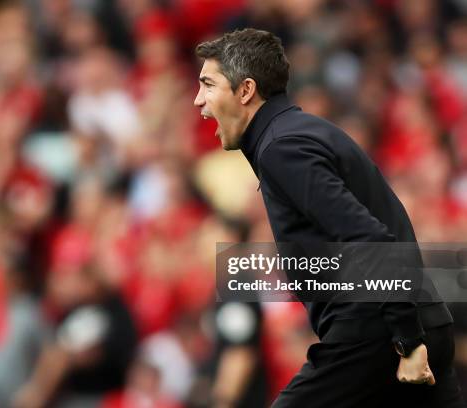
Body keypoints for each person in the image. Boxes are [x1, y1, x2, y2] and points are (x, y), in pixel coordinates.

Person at [193, 28, 466, 408]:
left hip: (378, 334)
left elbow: (370, 238)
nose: (198, 100)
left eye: (208, 85)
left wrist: (407, 339)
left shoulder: (282, 148)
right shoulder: (301, 133)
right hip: (416, 321)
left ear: (245, 91)